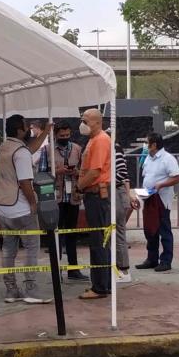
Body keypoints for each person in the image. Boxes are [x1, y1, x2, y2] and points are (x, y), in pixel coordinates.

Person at [0, 115, 52, 303]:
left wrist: (45, 133)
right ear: (20, 130)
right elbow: (25, 182)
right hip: (21, 208)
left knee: (8, 250)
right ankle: (30, 290)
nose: (29, 129)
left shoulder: (4, 147)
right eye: (26, 127)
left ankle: (11, 290)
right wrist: (33, 203)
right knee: (31, 248)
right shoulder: (21, 152)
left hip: (2, 207)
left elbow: (29, 149)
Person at [41, 121, 89, 281]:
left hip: (73, 198)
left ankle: (73, 269)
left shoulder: (77, 149)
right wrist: (57, 172)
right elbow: (41, 174)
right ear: (55, 135)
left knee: (71, 234)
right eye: (62, 136)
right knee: (56, 235)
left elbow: (85, 170)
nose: (65, 138)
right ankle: (57, 271)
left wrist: (76, 172)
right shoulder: (47, 151)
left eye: (67, 135)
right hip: (55, 198)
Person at [76, 108, 112, 300]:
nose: (82, 124)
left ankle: (100, 287)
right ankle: (104, 283)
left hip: (97, 195)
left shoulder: (100, 140)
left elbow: (95, 172)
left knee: (99, 242)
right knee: (101, 241)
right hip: (96, 195)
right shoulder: (94, 139)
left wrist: (78, 187)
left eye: (86, 120)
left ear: (97, 122)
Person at [135, 132, 179, 272]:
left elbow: (176, 178)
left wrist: (161, 185)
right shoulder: (148, 158)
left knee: (164, 230)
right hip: (149, 198)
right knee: (150, 229)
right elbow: (147, 176)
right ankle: (151, 258)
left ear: (154, 144)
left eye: (147, 143)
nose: (145, 146)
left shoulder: (167, 159)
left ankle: (166, 260)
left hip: (161, 199)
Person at [113, 133, 139, 283]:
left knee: (118, 231)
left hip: (116, 192)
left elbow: (122, 174)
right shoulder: (116, 149)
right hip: (120, 192)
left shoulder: (114, 149)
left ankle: (123, 269)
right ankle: (120, 268)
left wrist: (104, 182)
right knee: (118, 231)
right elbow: (126, 177)